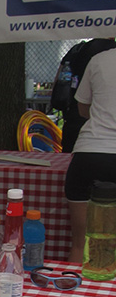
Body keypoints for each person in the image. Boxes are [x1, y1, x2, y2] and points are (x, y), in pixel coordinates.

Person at [64, 47, 116, 263]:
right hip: (93, 151)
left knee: (80, 242)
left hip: (91, 152)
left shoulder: (100, 60)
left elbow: (83, 109)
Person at [54, 38, 116, 153]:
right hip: (99, 125)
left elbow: (58, 80)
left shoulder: (77, 50)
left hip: (76, 124)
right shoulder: (108, 53)